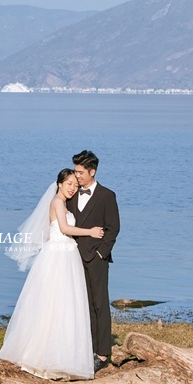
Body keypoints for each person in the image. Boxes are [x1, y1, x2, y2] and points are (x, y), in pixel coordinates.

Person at [0, 168, 105, 380]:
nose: (72, 188)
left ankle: (63, 355)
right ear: (59, 184)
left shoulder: (63, 204)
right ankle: (45, 356)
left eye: (75, 185)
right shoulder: (57, 202)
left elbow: (51, 231)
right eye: (69, 184)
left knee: (64, 305)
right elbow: (64, 228)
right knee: (54, 303)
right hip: (59, 256)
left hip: (64, 254)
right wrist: (90, 232)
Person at [67, 150, 120, 372]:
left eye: (80, 172)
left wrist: (101, 253)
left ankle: (102, 353)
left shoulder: (107, 196)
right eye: (75, 171)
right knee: (82, 304)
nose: (77, 176)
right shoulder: (71, 194)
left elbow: (113, 228)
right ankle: (86, 348)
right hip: (73, 258)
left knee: (100, 304)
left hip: (96, 258)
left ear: (92, 171)